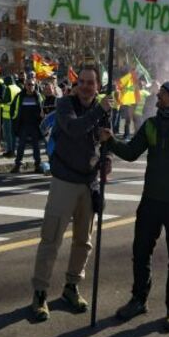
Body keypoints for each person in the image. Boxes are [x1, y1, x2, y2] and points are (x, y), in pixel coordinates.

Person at [101, 80, 169, 332]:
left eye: (162, 94)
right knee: (140, 252)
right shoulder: (151, 125)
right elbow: (130, 153)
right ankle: (138, 300)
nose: (157, 97)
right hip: (150, 201)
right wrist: (111, 140)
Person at [29, 67, 114, 322]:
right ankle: (40, 292)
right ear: (77, 85)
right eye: (84, 82)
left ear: (98, 86)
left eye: (92, 83)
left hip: (89, 183)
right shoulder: (65, 104)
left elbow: (107, 141)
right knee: (51, 239)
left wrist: (108, 157)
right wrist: (100, 111)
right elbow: (74, 129)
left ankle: (71, 286)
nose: (88, 87)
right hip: (64, 180)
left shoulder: (103, 110)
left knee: (83, 241)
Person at [11, 75, 46, 173]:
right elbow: (13, 108)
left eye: (32, 84)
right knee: (21, 146)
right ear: (25, 85)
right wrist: (14, 119)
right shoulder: (19, 96)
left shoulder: (39, 96)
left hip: (35, 125)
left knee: (36, 146)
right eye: (28, 84)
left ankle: (37, 165)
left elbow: (43, 108)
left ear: (35, 86)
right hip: (23, 125)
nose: (30, 86)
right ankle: (17, 165)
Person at [1, 74, 21, 158]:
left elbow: (6, 100)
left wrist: (0, 99)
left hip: (7, 114)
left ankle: (10, 151)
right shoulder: (18, 88)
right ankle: (13, 150)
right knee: (13, 134)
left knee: (8, 134)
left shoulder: (8, 88)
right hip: (15, 114)